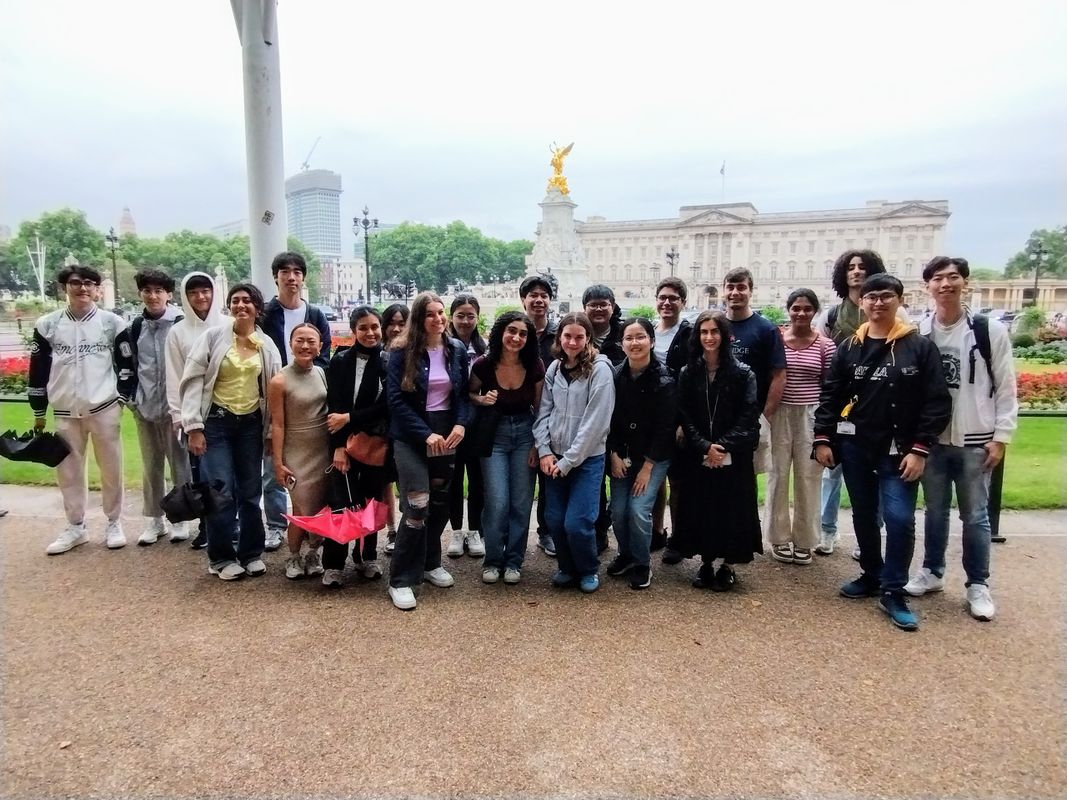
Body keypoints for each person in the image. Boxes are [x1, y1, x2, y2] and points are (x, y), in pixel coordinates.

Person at [814, 274, 951, 631]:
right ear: (861, 303)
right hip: (856, 447)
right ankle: (872, 574)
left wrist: (920, 449)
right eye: (871, 297)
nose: (878, 302)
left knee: (900, 518)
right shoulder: (849, 348)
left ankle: (894, 590)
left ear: (899, 300)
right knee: (864, 515)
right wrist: (823, 438)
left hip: (900, 451)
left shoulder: (919, 347)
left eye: (886, 296)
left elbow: (936, 402)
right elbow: (831, 395)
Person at [904, 257, 1018, 621]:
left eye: (953, 277)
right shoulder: (920, 331)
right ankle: (932, 571)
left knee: (976, 515)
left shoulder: (988, 331)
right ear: (928, 286)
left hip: (975, 438)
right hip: (933, 439)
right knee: (934, 510)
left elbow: (1006, 387)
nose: (945, 284)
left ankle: (977, 584)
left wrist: (1001, 436)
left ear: (964, 283)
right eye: (938, 278)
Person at [180, 283, 282, 581]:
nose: (241, 305)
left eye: (247, 300)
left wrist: (269, 433)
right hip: (216, 423)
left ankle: (251, 553)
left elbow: (274, 392)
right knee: (220, 490)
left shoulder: (266, 345)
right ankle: (221, 557)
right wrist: (193, 427)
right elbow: (193, 381)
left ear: (257, 308)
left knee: (250, 491)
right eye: (235, 300)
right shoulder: (213, 338)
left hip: (250, 425)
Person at [30, 265, 134, 555]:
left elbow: (126, 365)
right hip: (65, 409)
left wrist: (121, 399)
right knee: (68, 471)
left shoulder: (111, 323)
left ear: (97, 289)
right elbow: (38, 369)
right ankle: (75, 526)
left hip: (103, 406)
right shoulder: (48, 325)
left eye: (89, 283)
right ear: (65, 287)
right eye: (76, 283)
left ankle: (114, 522)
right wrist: (39, 410)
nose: (83, 288)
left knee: (111, 467)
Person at [385, 292, 472, 611]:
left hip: (446, 434)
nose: (438, 319)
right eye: (430, 314)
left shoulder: (456, 349)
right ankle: (401, 579)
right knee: (417, 505)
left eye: (440, 312)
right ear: (419, 319)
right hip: (413, 436)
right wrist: (425, 434)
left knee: (439, 504)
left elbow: (462, 395)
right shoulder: (401, 351)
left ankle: (429, 561)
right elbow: (395, 400)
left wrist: (461, 424)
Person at [667, 311, 762, 590]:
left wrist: (722, 446)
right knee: (703, 508)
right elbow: (684, 414)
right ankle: (706, 562)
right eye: (704, 332)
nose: (709, 337)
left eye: (714, 331)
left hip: (734, 453)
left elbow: (748, 415)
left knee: (732, 509)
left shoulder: (743, 373)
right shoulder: (688, 372)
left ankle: (728, 566)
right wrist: (704, 446)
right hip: (699, 453)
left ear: (724, 335)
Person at [816, 249, 892, 555]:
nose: (857, 271)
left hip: (877, 404)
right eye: (851, 267)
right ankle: (827, 529)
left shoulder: (892, 313)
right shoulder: (832, 315)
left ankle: (869, 537)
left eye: (863, 267)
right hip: (840, 403)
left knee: (878, 474)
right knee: (831, 472)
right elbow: (821, 357)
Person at [533, 312, 615, 593]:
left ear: (588, 338)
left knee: (578, 522)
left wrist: (569, 461)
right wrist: (544, 450)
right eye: (567, 336)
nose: (572, 342)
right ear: (559, 337)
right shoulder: (555, 368)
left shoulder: (600, 370)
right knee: (555, 520)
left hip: (587, 459)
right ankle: (567, 568)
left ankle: (588, 568)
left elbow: (596, 422)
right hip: (554, 457)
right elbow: (544, 412)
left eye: (579, 337)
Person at [260, 251, 332, 552]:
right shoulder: (266, 314)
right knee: (275, 474)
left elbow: (324, 356)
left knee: (316, 495)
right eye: (285, 272)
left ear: (303, 278)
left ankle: (311, 548)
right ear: (276, 277)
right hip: (277, 394)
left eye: (297, 272)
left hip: (308, 397)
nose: (291, 277)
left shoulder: (314, 314)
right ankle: (276, 526)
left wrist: (308, 376)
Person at [469, 311, 544, 584]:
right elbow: (469, 393)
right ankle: (493, 560)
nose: (516, 337)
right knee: (497, 501)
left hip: (526, 433)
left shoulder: (534, 365)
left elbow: (541, 408)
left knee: (521, 503)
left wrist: (537, 444)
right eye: (512, 331)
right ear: (501, 332)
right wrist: (482, 400)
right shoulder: (483, 364)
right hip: (495, 435)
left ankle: (514, 561)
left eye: (523, 333)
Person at [764, 289, 836, 565]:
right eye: (796, 308)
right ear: (789, 310)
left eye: (807, 308)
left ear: (815, 311)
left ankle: (805, 540)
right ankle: (778, 537)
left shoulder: (825, 346)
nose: (801, 313)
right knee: (777, 475)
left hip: (811, 414)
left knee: (809, 478)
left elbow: (830, 386)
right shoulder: (777, 340)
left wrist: (825, 427)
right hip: (780, 412)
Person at [606, 317, 677, 590]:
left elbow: (665, 428)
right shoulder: (614, 376)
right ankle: (626, 554)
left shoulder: (665, 379)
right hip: (621, 454)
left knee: (638, 510)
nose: (635, 343)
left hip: (653, 457)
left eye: (640, 337)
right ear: (621, 344)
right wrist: (613, 454)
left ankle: (642, 563)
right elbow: (608, 419)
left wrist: (648, 468)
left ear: (652, 341)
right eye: (629, 338)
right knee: (618, 511)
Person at [324, 306, 391, 586]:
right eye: (363, 328)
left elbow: (386, 406)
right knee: (340, 503)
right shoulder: (340, 361)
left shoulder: (388, 361)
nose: (370, 332)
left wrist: (350, 418)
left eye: (374, 326)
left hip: (375, 444)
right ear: (353, 331)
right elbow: (334, 406)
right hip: (344, 443)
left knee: (370, 502)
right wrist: (338, 447)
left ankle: (367, 557)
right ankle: (334, 564)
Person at [124, 269, 190, 545]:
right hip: (145, 406)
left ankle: (180, 518)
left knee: (180, 465)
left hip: (176, 409)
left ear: (169, 294)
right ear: (140, 293)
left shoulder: (180, 324)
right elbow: (127, 365)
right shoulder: (135, 327)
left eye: (158, 291)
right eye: (147, 291)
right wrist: (132, 400)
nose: (153, 296)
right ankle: (154, 519)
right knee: (150, 466)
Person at [165, 271, 225, 549]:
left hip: (225, 412)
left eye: (205, 291)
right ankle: (206, 526)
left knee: (226, 475)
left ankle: (230, 524)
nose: (201, 297)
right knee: (200, 475)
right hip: (195, 417)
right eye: (194, 292)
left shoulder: (228, 325)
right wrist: (180, 418)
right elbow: (174, 376)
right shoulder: (178, 332)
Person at [268, 323, 330, 581]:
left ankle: (313, 552)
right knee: (301, 509)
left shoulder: (321, 372)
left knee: (320, 507)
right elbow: (278, 424)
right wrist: (278, 462)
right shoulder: (279, 380)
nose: (305, 346)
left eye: (311, 341)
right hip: (296, 451)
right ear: (290, 344)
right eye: (299, 340)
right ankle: (293, 555)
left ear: (320, 346)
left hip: (322, 450)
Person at [721, 267, 786, 476]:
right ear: (724, 291)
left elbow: (779, 376)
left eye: (741, 287)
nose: (735, 292)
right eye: (730, 287)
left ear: (751, 291)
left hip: (750, 419)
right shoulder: (715, 327)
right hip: (718, 419)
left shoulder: (766, 329)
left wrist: (764, 417)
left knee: (745, 479)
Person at [583, 284, 625, 555]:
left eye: (604, 304)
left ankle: (624, 533)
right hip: (589, 417)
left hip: (622, 417)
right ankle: (599, 531)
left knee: (621, 477)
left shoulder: (624, 334)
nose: (598, 309)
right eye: (593, 304)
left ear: (612, 306)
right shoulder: (578, 334)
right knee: (594, 480)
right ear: (584, 308)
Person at [651, 276, 692, 551]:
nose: (667, 303)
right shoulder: (650, 331)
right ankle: (657, 530)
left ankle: (678, 538)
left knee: (677, 480)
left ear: (682, 302)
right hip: (652, 416)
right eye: (663, 298)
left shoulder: (688, 334)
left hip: (677, 415)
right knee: (655, 479)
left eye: (673, 298)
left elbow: (691, 381)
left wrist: (683, 422)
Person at [445, 294, 487, 559]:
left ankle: (475, 531)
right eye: (460, 315)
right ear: (451, 317)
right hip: (450, 422)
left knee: (477, 479)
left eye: (470, 316)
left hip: (478, 423)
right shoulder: (443, 348)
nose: (465, 321)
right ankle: (456, 531)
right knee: (453, 478)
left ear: (477, 318)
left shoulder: (485, 349)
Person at [519, 275, 557, 557]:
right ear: (524, 300)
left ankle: (546, 531)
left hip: (552, 416)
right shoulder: (516, 331)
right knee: (520, 480)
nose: (539, 300)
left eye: (544, 295)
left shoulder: (559, 334)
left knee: (548, 479)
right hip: (520, 415)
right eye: (533, 294)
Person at [379, 303, 409, 553]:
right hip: (380, 427)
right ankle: (391, 530)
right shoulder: (378, 354)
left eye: (402, 323)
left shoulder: (414, 353)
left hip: (405, 426)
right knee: (384, 482)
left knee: (406, 480)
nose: (397, 329)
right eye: (392, 323)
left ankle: (406, 530)